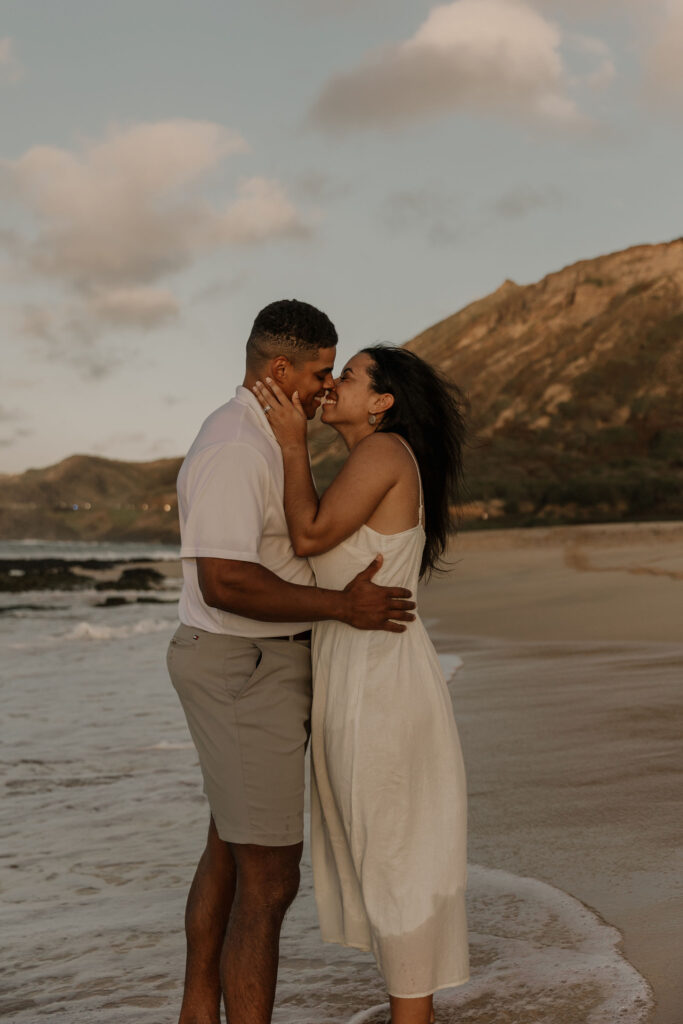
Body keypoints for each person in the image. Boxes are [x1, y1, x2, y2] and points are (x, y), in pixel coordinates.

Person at [167, 302, 416, 1024]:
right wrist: (344, 608)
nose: (325, 384)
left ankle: (194, 1012)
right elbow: (226, 582)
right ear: (279, 368)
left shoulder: (261, 438)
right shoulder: (234, 448)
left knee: (229, 848)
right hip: (243, 667)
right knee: (270, 879)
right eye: (317, 370)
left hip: (257, 664)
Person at [252, 344, 470, 1024]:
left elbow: (311, 536)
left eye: (346, 376)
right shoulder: (370, 458)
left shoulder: (382, 452)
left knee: (396, 856)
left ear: (380, 402)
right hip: (361, 670)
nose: (332, 385)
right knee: (387, 853)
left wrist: (290, 444)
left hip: (380, 680)